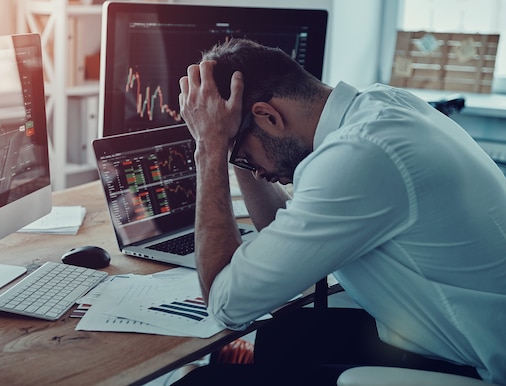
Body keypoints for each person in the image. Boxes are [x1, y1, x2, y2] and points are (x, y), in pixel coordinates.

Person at [174, 38, 506, 385]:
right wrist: (233, 142)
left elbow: (225, 303)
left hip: (474, 364)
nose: (255, 172)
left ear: (268, 116)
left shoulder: (361, 155)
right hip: (458, 330)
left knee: (201, 383)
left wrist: (209, 149)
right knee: (284, 337)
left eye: (244, 157)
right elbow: (279, 232)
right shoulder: (382, 107)